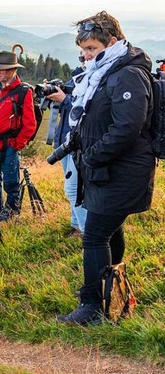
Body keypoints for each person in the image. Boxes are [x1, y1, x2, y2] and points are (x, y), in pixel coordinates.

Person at [57, 11, 155, 326]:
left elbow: (127, 126)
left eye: (91, 49)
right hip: (108, 169)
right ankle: (115, 293)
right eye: (83, 50)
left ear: (111, 42)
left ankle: (92, 307)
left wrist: (94, 155)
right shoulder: (106, 70)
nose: (85, 56)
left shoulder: (126, 74)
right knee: (109, 231)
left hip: (121, 170)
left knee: (95, 235)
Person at [0, 48, 37, 222]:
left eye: (1, 69)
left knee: (11, 182)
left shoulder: (23, 92)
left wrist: (17, 144)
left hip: (9, 146)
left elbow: (29, 124)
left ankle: (11, 213)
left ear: (12, 71)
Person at [46, 55, 88, 237]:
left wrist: (65, 99)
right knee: (71, 187)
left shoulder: (96, 80)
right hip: (64, 141)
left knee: (74, 189)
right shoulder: (77, 78)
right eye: (80, 55)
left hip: (77, 143)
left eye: (89, 50)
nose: (84, 58)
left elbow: (85, 110)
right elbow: (65, 110)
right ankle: (76, 225)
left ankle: (88, 233)